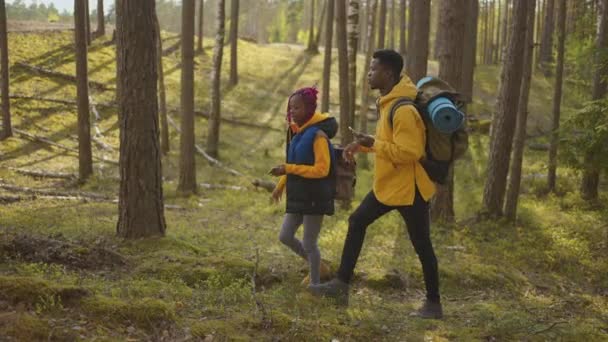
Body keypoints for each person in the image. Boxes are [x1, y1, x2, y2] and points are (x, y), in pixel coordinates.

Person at [308, 50, 443, 319]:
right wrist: (362, 146)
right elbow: (388, 144)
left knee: (422, 244)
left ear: (389, 74)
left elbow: (410, 153)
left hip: (410, 190)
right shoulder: (389, 102)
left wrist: (374, 144)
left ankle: (434, 304)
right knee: (357, 221)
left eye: (374, 69)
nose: (369, 73)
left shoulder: (403, 109)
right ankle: (341, 286)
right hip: (390, 186)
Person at [269, 87, 335, 287]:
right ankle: (319, 266)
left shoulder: (318, 136)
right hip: (298, 196)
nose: (292, 112)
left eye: (297, 108)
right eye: (290, 108)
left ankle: (315, 286)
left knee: (309, 243)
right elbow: (293, 162)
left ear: (309, 109)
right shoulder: (296, 133)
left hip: (316, 196)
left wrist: (288, 168)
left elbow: (322, 170)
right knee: (285, 236)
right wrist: (280, 186)